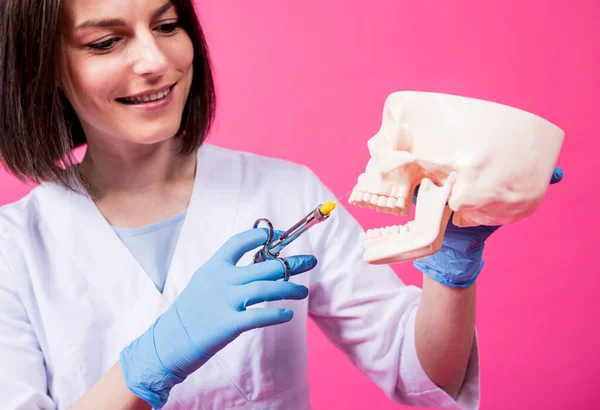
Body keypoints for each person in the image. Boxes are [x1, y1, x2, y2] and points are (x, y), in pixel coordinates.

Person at [0, 1, 563, 409]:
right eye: (105, 41)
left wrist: (449, 263)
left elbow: (425, 378)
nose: (155, 61)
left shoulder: (285, 193)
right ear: (45, 65)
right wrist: (149, 362)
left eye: (167, 25)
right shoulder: (15, 246)